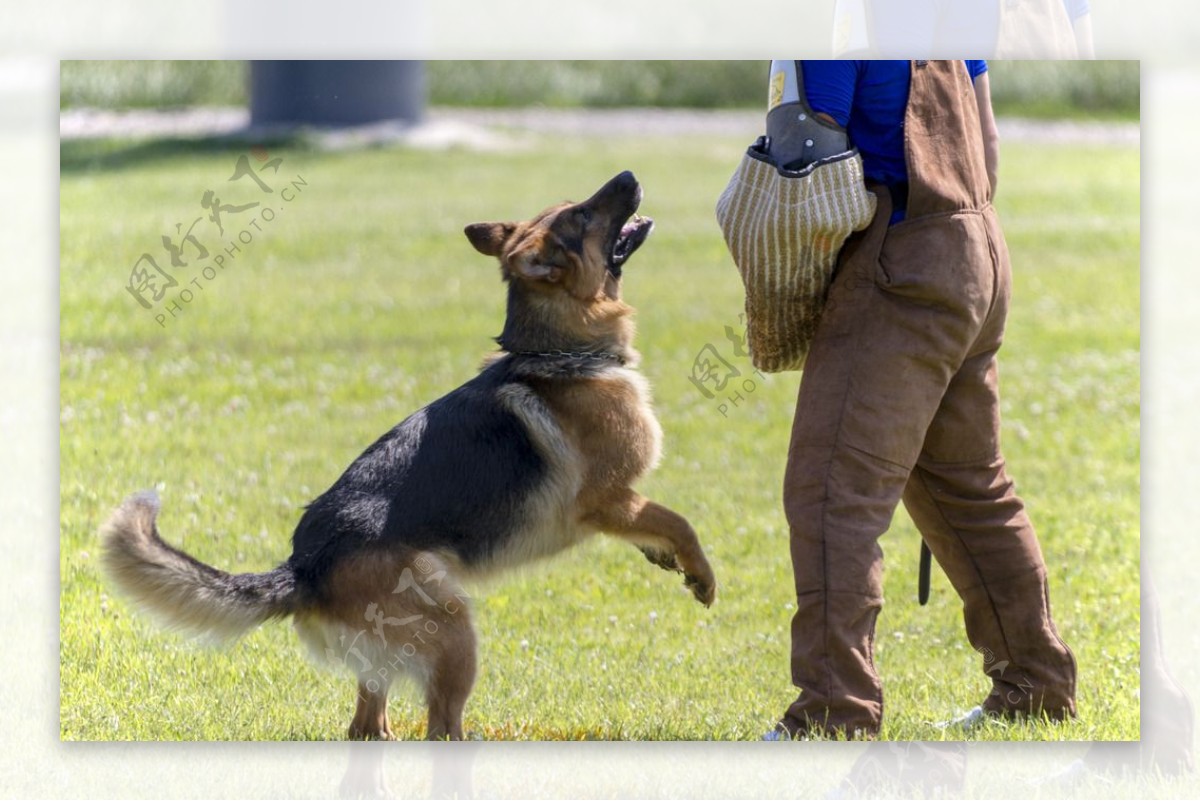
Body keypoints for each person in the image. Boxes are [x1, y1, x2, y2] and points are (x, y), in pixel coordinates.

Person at [767, 60, 1077, 739]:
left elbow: (814, 142)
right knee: (968, 485)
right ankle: (1037, 682)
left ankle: (831, 712)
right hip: (975, 245)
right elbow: (984, 138)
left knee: (831, 495)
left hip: (899, 255)